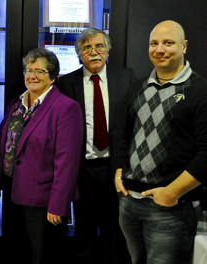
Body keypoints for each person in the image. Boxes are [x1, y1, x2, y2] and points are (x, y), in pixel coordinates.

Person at [115, 20, 207, 264]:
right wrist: (119, 174)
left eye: (168, 43)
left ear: (184, 46)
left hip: (171, 207)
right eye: (154, 43)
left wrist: (171, 193)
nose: (159, 49)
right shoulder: (138, 88)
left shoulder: (201, 90)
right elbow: (124, 136)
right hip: (129, 202)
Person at [0, 48, 83, 264]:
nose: (32, 75)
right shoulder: (16, 103)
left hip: (43, 202)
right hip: (12, 191)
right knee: (18, 252)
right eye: (28, 70)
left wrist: (58, 205)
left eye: (39, 71)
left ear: (52, 77)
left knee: (42, 255)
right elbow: (3, 143)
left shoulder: (66, 108)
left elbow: (67, 163)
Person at [58, 27, 136, 264]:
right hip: (82, 170)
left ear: (108, 51)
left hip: (116, 169)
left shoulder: (126, 77)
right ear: (78, 54)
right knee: (83, 230)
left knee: (116, 231)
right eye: (86, 48)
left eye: (99, 46)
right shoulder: (64, 84)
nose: (93, 52)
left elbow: (133, 124)